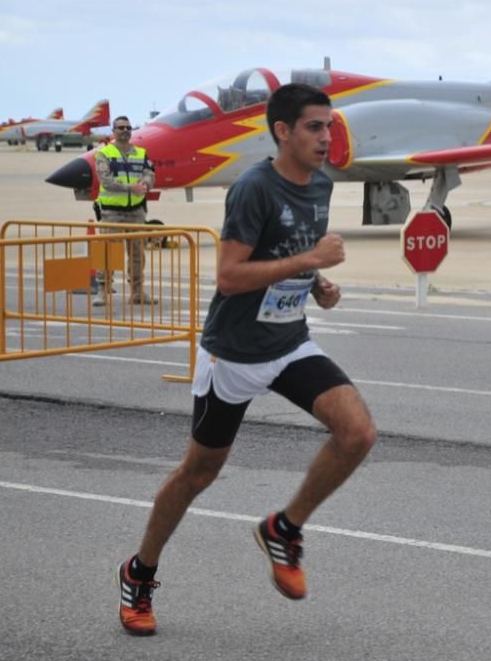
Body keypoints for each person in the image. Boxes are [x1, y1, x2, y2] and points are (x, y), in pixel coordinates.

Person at [117, 84, 377, 636]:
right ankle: (139, 573)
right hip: (232, 355)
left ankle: (283, 529)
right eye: (314, 127)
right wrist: (310, 259)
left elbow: (286, 257)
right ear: (282, 131)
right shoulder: (255, 188)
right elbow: (231, 277)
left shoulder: (322, 184)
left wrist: (317, 283)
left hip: (287, 343)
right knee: (198, 473)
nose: (327, 137)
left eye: (329, 126)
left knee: (357, 433)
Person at [92, 115, 157, 306]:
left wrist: (146, 183)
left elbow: (150, 173)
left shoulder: (141, 153)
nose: (125, 131)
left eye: (128, 128)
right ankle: (103, 291)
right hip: (112, 212)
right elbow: (106, 181)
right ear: (113, 131)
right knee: (108, 252)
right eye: (121, 128)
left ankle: (137, 292)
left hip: (136, 212)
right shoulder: (104, 153)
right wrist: (132, 188)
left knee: (137, 254)